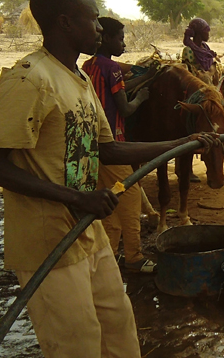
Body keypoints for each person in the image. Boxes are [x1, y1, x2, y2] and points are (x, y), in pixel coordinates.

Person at [0, 0, 219, 357]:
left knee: (119, 327)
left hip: (88, 232)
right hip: (48, 241)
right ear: (65, 22)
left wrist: (181, 144)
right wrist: (74, 197)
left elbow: (108, 148)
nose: (100, 28)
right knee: (77, 344)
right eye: (92, 19)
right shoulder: (30, 78)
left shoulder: (80, 79)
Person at [82, 16, 157, 273]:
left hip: (93, 145)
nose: (124, 44)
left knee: (110, 199)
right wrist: (142, 99)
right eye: (121, 38)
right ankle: (134, 256)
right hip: (113, 141)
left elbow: (118, 89)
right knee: (130, 195)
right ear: (108, 38)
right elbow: (124, 107)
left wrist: (145, 78)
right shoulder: (112, 68)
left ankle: (110, 255)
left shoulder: (89, 65)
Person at [181, 17, 219, 84]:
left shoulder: (205, 46)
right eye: (206, 32)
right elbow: (188, 72)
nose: (208, 34)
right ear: (199, 33)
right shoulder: (188, 50)